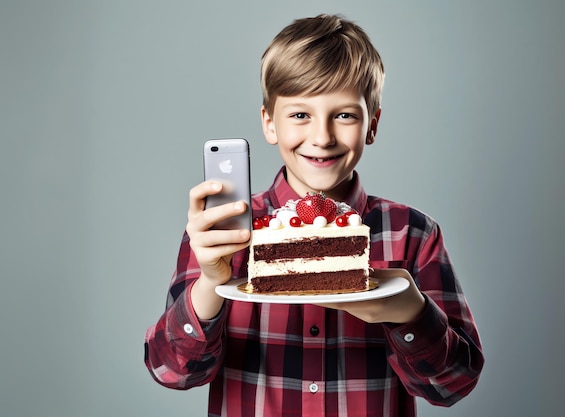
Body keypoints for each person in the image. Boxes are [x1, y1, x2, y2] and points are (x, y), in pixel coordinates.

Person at [144, 14, 484, 417]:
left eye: (344, 115)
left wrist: (412, 312)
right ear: (269, 124)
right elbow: (171, 372)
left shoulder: (413, 234)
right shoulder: (221, 231)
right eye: (300, 115)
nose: (322, 137)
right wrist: (210, 287)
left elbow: (454, 385)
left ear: (372, 125)